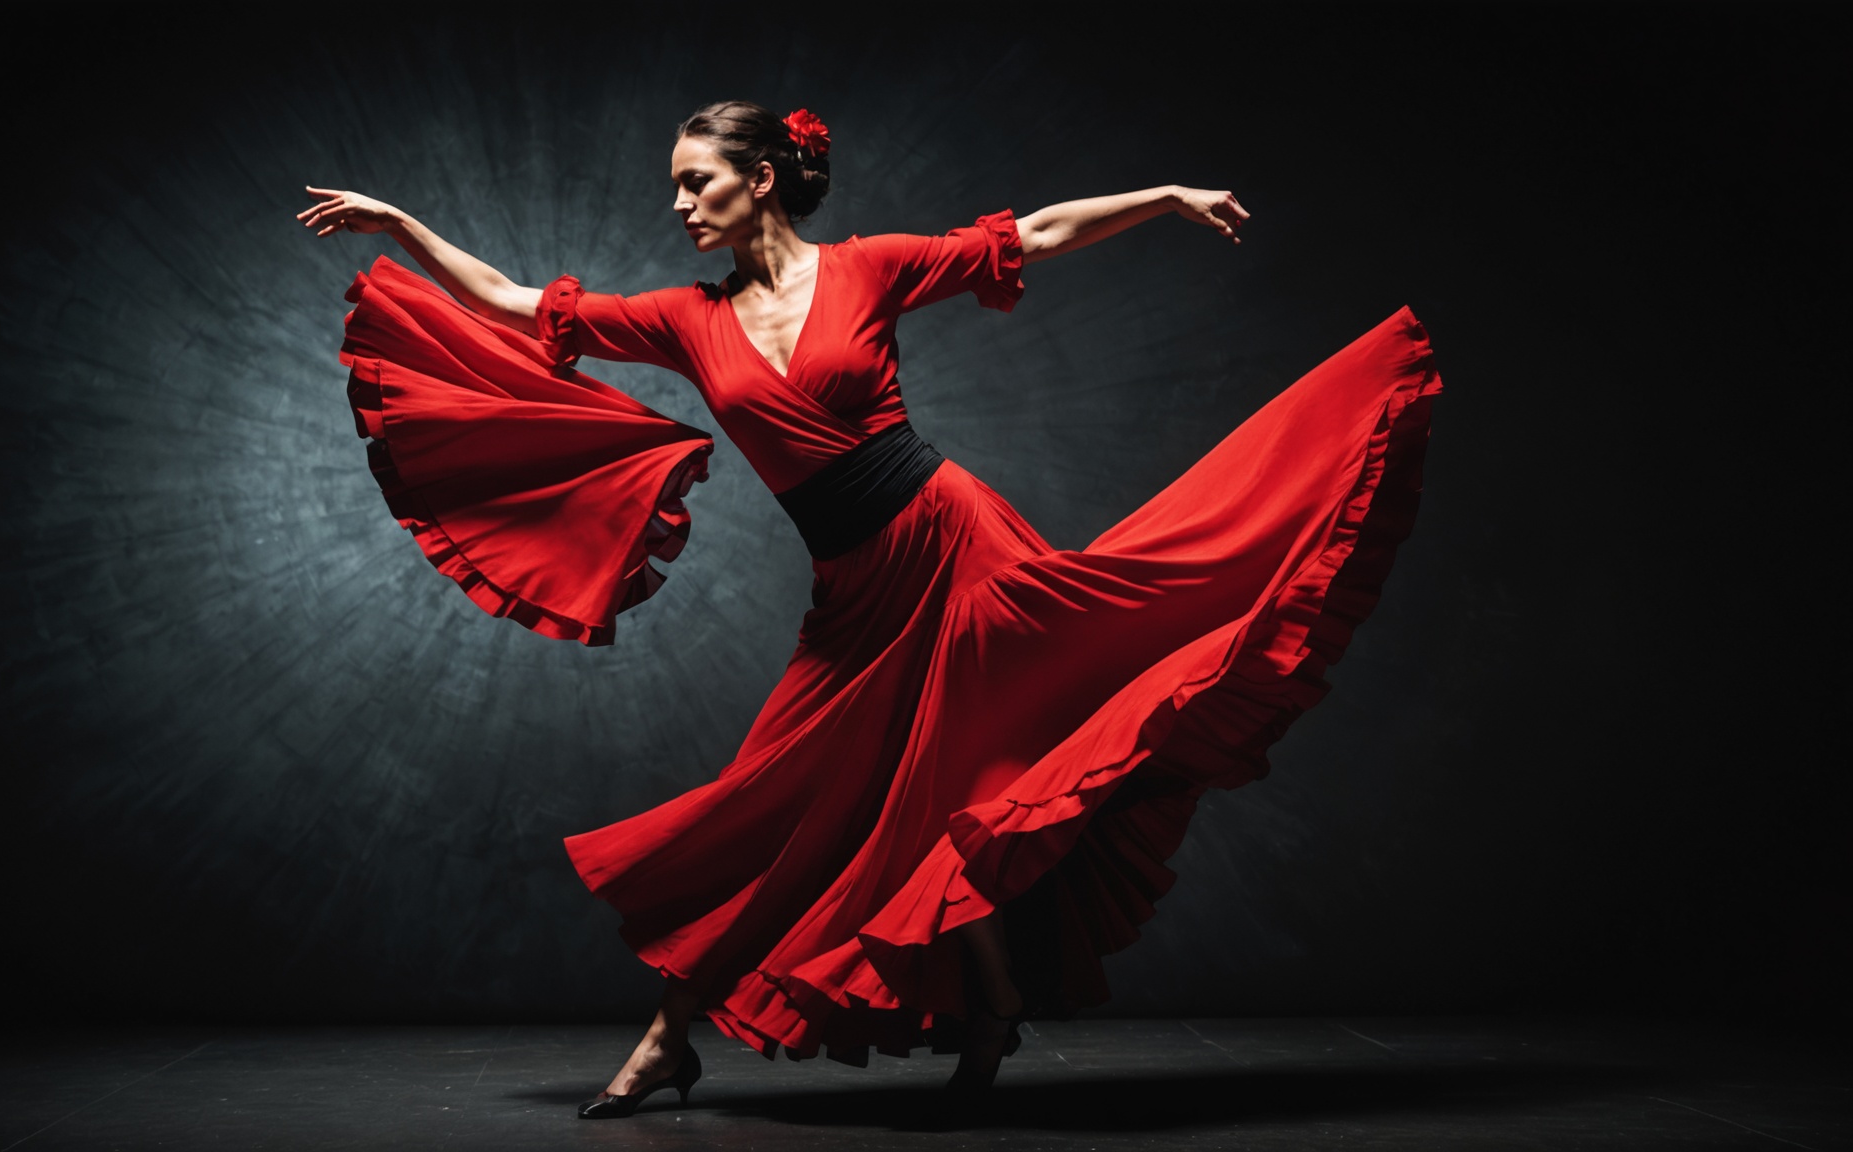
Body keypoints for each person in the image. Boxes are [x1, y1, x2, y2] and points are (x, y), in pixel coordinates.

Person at [299, 99, 1440, 1117]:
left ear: (761, 179)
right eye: (677, 184)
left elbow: (1030, 234)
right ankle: (952, 1009)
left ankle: (671, 1041)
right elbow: (509, 300)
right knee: (783, 804)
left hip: (957, 547)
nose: (681, 201)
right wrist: (400, 226)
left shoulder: (870, 267)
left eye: (699, 179)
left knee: (958, 785)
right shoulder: (684, 321)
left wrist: (1166, 198)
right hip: (854, 590)